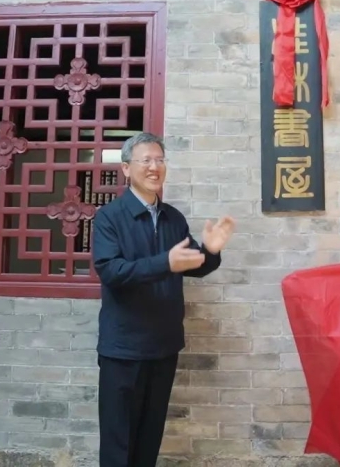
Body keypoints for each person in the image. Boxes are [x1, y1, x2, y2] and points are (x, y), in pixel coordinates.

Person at [92, 132, 235, 467]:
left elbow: (192, 265)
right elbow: (111, 271)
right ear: (126, 168)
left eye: (159, 160)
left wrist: (210, 252)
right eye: (146, 160)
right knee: (118, 442)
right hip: (123, 348)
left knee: (149, 438)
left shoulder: (173, 218)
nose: (154, 167)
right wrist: (164, 263)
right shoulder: (109, 217)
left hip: (163, 347)